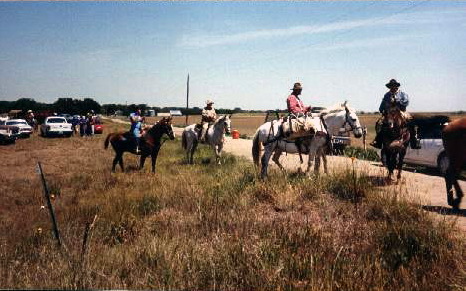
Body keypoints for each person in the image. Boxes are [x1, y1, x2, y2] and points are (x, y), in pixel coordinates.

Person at [370, 79, 410, 149]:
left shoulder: (403, 94)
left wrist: (397, 101)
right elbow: (382, 105)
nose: (392, 88)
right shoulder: (387, 95)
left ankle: (414, 140)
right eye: (391, 87)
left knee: (411, 121)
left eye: (394, 86)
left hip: (401, 111)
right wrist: (382, 109)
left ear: (397, 87)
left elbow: (406, 102)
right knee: (379, 123)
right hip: (389, 112)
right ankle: (377, 141)